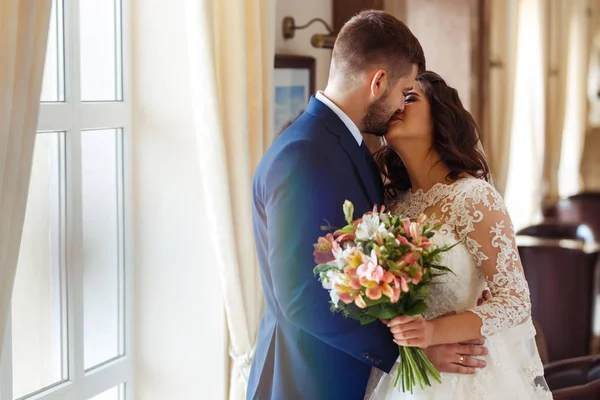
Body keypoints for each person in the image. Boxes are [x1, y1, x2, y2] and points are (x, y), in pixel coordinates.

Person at [248, 10, 487, 400]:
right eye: (403, 91)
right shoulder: (304, 154)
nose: (400, 106)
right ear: (378, 82)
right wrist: (413, 353)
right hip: (309, 383)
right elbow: (301, 297)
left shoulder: (350, 145)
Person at [367, 71, 551, 399]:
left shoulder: (472, 197)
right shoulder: (392, 208)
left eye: (410, 98)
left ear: (441, 116)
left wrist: (432, 331)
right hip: (408, 375)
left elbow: (515, 301)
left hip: (467, 379)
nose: (397, 106)